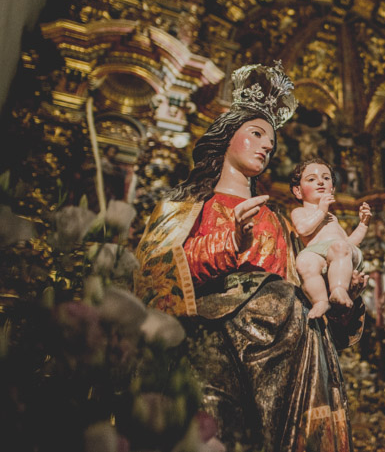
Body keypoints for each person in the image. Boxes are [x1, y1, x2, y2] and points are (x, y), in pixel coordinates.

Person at [132, 63, 367, 451]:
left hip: (289, 348)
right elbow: (156, 276)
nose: (265, 147)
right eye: (255, 134)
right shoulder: (185, 205)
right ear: (226, 136)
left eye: (270, 144)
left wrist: (346, 295)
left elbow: (309, 292)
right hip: (213, 340)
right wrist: (230, 244)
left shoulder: (278, 220)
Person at [290, 158, 371, 319]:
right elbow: (302, 229)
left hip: (341, 253)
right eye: (311, 179)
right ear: (298, 191)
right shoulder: (299, 212)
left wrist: (363, 224)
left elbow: (349, 244)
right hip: (317, 253)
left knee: (339, 247)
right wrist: (321, 210)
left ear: (332, 189)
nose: (320, 182)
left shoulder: (332, 218)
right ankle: (320, 301)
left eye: (326, 178)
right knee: (304, 261)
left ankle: (338, 289)